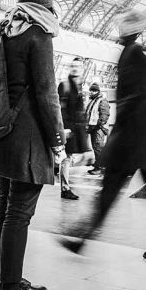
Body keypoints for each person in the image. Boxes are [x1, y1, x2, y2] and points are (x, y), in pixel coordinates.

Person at [60, 9, 146, 263]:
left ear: (129, 30)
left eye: (124, 26)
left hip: (130, 137)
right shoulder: (133, 53)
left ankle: (81, 238)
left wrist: (122, 133)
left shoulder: (132, 54)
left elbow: (134, 98)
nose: (120, 29)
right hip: (136, 136)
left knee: (112, 192)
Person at [0, 0, 66, 290]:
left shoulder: (5, 29)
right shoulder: (39, 33)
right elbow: (47, 94)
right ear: (47, 1)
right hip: (27, 139)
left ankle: (10, 280)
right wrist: (58, 141)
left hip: (0, 133)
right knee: (19, 213)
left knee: (6, 207)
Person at [57, 57, 90, 200]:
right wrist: (64, 127)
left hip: (74, 129)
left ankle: (66, 185)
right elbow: (61, 108)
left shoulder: (78, 86)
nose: (75, 68)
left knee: (68, 158)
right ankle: (65, 188)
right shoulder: (65, 85)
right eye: (73, 66)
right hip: (67, 129)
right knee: (65, 158)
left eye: (78, 66)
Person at [85, 82, 109, 176]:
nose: (90, 92)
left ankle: (100, 168)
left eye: (93, 90)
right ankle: (98, 165)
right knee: (96, 148)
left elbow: (104, 115)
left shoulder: (102, 100)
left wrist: (98, 125)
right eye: (90, 90)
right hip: (94, 128)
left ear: (97, 91)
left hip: (99, 128)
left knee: (98, 148)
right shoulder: (93, 100)